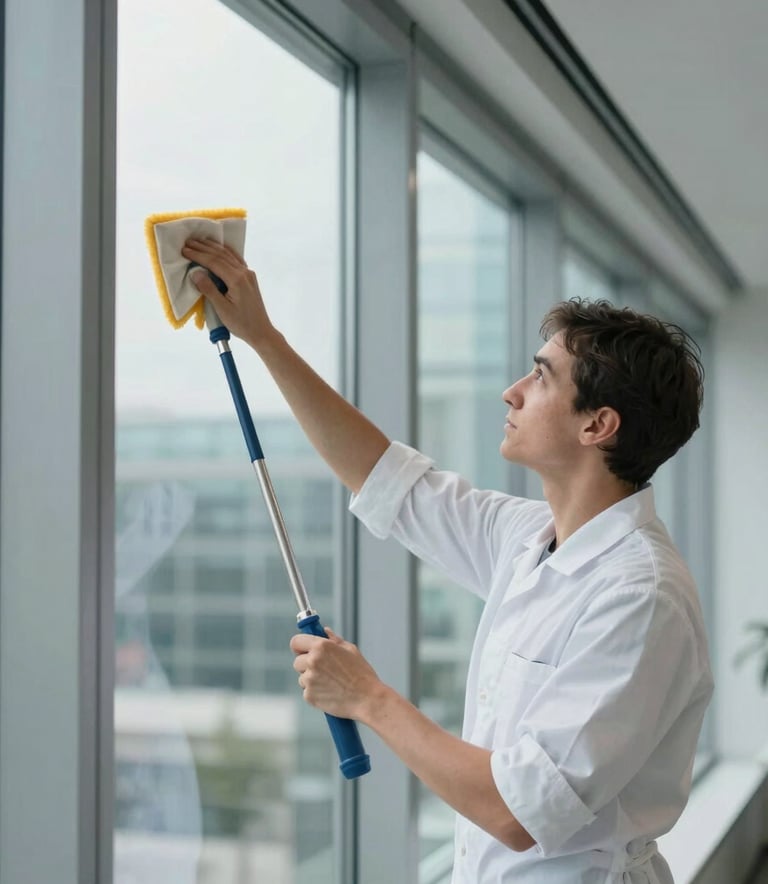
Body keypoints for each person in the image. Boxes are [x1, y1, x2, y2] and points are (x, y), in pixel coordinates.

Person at [182, 237, 714, 884]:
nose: (511, 393)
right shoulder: (529, 538)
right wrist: (264, 339)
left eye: (541, 376)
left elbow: (518, 811)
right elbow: (386, 479)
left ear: (597, 426)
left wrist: (368, 698)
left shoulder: (640, 597)